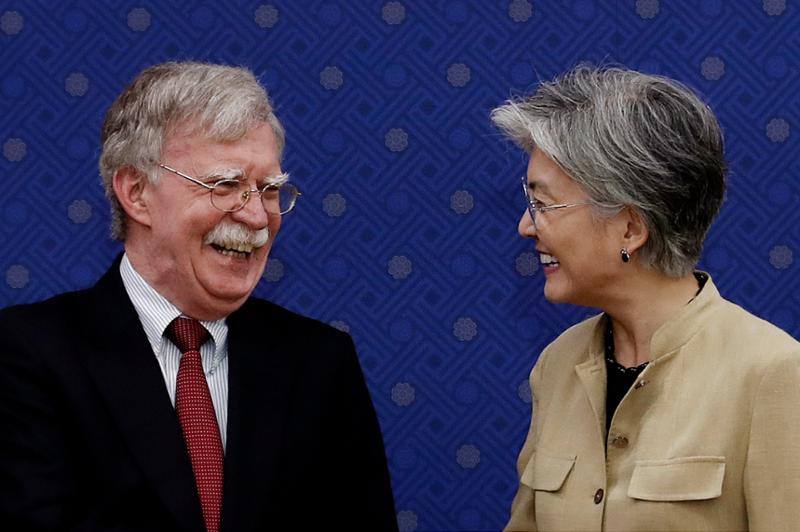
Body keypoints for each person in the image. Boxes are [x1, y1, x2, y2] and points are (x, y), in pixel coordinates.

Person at [0, 62, 398, 532]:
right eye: (225, 185)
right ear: (136, 193)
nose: (257, 217)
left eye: (270, 190)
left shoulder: (320, 362)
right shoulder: (25, 354)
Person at [491, 65, 800, 531]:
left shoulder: (773, 374)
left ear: (631, 228)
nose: (525, 226)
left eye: (544, 204)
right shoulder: (558, 364)